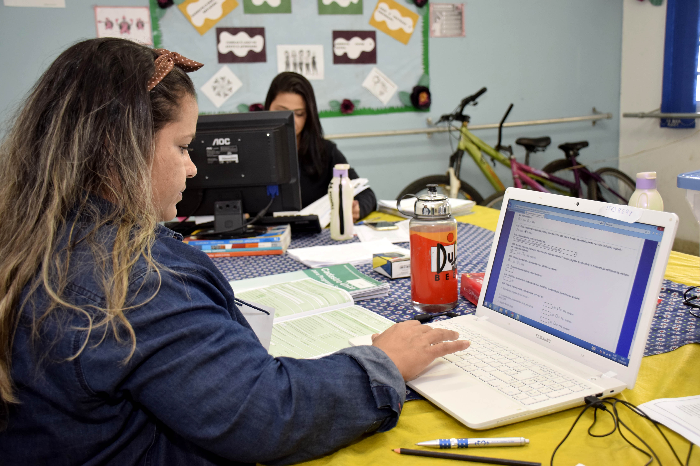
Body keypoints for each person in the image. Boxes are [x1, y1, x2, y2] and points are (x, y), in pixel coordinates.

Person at [0, 38, 469, 465]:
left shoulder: (33, 234)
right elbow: (268, 414)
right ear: (118, 145)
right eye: (183, 147)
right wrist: (382, 363)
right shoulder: (135, 278)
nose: (191, 167)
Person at [265, 72, 376, 222]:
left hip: (316, 237)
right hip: (267, 237)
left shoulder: (324, 151)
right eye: (281, 111)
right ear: (268, 107)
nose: (290, 121)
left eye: (299, 114)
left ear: (309, 116)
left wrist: (358, 208)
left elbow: (366, 193)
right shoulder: (249, 151)